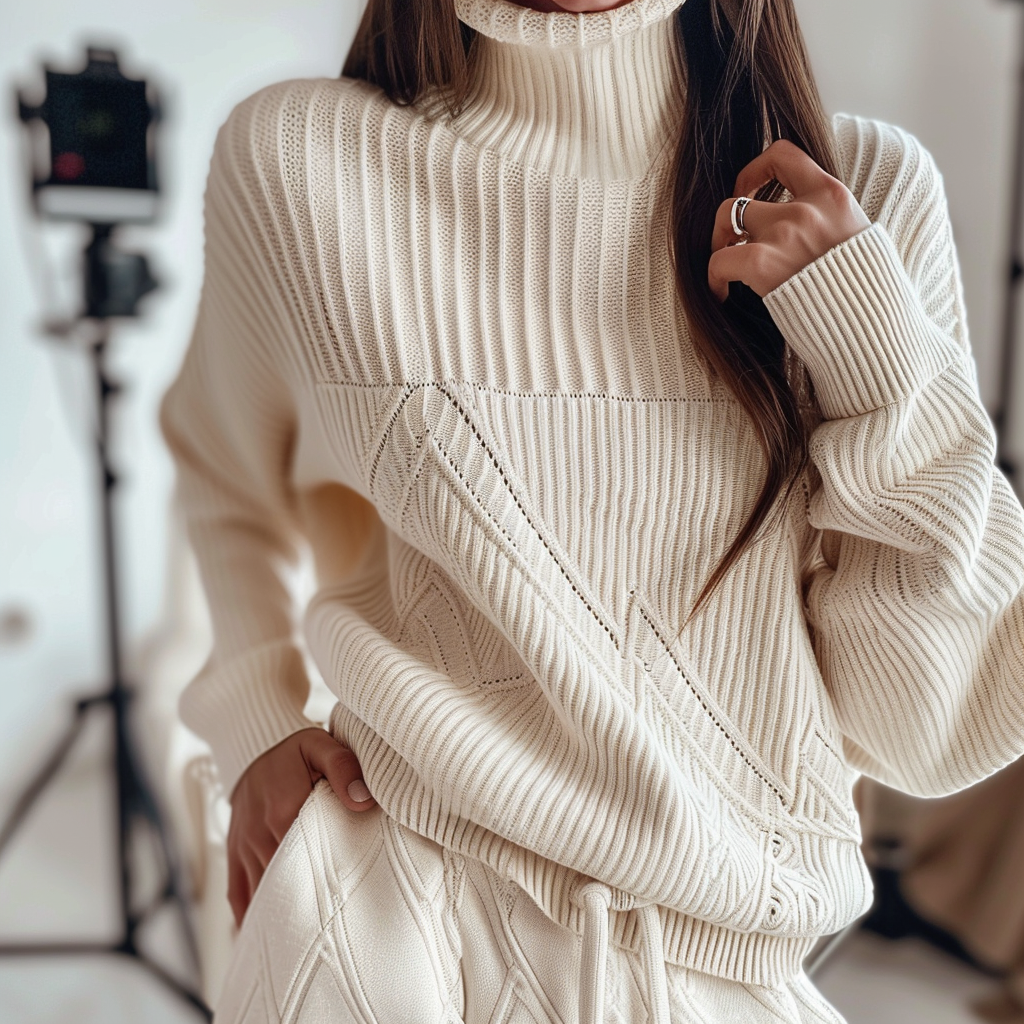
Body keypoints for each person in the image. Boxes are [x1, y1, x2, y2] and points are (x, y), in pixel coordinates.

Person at [159, 0, 1024, 1018]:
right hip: (388, 926)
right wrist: (255, 716)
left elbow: (922, 729)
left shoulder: (862, 194)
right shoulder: (304, 160)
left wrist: (877, 366)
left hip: (725, 957)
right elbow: (225, 468)